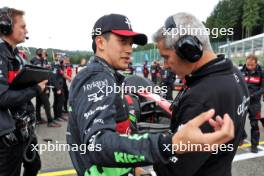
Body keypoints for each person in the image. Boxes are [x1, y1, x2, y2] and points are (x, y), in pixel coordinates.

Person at [66, 14, 235, 176]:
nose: (129, 50)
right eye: (122, 42)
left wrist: (133, 168)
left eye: (130, 44)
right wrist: (170, 144)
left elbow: (116, 136)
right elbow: (97, 145)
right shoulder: (97, 77)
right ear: (100, 42)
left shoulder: (107, 75)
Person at [152, 12, 249, 176]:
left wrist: (154, 147)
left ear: (188, 50)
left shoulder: (201, 98)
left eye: (166, 57)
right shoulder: (233, 72)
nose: (165, 65)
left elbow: (173, 170)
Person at [0, 7, 46, 176]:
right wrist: (35, 89)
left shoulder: (17, 56)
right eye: (22, 26)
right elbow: (2, 97)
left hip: (25, 128)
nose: (26, 30)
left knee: (34, 166)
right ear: (6, 27)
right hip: (7, 136)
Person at [240, 54, 264, 153]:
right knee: (239, 121)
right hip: (243, 101)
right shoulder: (241, 71)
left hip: (255, 103)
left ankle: (254, 145)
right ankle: (241, 137)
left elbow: (263, 88)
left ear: (256, 63)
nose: (249, 67)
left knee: (254, 124)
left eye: (252, 65)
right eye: (248, 64)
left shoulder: (261, 73)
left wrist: (254, 95)